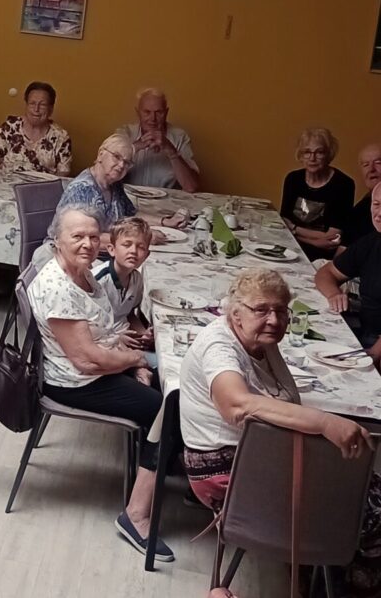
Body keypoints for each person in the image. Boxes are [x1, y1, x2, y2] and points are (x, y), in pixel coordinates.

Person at [179, 268, 381, 596]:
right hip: (225, 469)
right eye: (261, 310)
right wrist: (326, 422)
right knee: (366, 510)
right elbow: (237, 406)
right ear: (236, 314)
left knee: (365, 484)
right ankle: (343, 581)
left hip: (262, 452)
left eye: (280, 311)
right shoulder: (218, 346)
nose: (273, 319)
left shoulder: (259, 340)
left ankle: (325, 571)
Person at [27, 205, 174, 562]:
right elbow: (86, 359)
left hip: (97, 367)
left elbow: (103, 332)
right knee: (165, 408)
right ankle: (136, 514)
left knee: (168, 386)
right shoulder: (59, 286)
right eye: (77, 236)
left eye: (93, 236)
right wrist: (138, 360)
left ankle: (167, 466)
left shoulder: (85, 273)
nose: (88, 244)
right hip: (75, 381)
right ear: (56, 240)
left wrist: (130, 349)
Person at [57, 134, 186, 246]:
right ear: (101, 154)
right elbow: (87, 238)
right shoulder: (82, 189)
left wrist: (165, 221)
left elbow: (130, 214)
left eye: (127, 162)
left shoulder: (114, 184)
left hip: (101, 253)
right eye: (116, 157)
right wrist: (140, 238)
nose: (121, 165)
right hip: (71, 258)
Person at [315, 183, 381, 363]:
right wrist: (334, 294)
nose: (379, 213)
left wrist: (373, 354)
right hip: (362, 330)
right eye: (376, 204)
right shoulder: (373, 241)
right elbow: (327, 272)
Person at [280, 127, 354, 261]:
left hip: (319, 258)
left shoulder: (343, 185)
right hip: (288, 248)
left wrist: (294, 229)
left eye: (319, 152)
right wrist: (315, 239)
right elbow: (283, 223)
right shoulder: (293, 179)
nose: (312, 158)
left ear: (329, 154)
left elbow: (332, 237)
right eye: (307, 152)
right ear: (300, 156)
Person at [117, 87, 200, 192]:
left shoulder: (180, 137)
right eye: (147, 112)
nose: (153, 118)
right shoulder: (125, 133)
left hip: (168, 204)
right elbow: (105, 177)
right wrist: (135, 147)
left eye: (158, 112)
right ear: (138, 112)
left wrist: (171, 151)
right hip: (129, 201)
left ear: (166, 112)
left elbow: (191, 187)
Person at [92, 217, 153, 356]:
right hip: (103, 345)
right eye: (127, 244)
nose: (133, 251)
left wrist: (143, 333)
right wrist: (115, 339)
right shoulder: (98, 281)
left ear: (147, 255)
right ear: (112, 250)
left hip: (127, 339)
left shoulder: (136, 279)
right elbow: (87, 327)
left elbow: (129, 314)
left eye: (141, 247)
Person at [0, 81, 72, 175]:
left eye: (42, 105)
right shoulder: (9, 127)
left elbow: (63, 172)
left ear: (51, 109)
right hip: (6, 185)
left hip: (42, 188)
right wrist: (0, 179)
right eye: (32, 103)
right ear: (26, 105)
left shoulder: (61, 136)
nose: (36, 109)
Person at [342, 142, 381, 249]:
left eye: (378, 163)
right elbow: (344, 249)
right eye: (365, 165)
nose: (371, 169)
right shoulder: (360, 209)